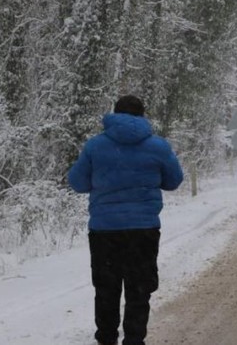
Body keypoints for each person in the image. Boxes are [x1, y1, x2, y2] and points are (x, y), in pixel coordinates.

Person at [68, 95, 184, 345]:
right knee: (139, 290)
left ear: (114, 115)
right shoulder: (158, 146)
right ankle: (134, 340)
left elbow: (77, 183)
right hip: (143, 230)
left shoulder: (95, 146)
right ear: (142, 115)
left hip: (104, 232)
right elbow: (173, 181)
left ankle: (106, 340)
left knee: (106, 290)